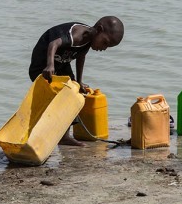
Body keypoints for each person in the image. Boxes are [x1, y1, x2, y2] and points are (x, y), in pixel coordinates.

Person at [29, 16, 124, 146]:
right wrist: (50, 65)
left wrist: (79, 81)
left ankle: (64, 136)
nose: (104, 48)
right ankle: (33, 134)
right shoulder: (77, 34)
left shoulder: (88, 41)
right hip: (43, 64)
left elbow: (81, 57)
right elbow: (53, 44)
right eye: (105, 43)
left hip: (62, 63)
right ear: (99, 30)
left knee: (73, 94)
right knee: (48, 99)